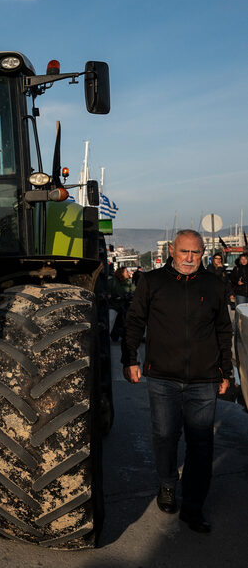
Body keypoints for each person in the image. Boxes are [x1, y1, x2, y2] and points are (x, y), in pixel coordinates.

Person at [122, 229, 230, 534]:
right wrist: (129, 358)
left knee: (201, 445)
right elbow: (134, 321)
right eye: (184, 252)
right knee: (165, 436)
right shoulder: (152, 281)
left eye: (196, 253)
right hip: (163, 378)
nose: (190, 258)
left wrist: (226, 371)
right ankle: (168, 484)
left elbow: (223, 329)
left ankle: (193, 507)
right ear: (172, 250)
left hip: (204, 380)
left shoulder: (213, 284)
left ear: (203, 252)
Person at [108, 266, 135, 343]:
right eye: (126, 271)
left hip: (125, 306)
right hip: (114, 306)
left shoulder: (129, 282)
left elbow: (134, 290)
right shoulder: (112, 282)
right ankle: (106, 338)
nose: (128, 273)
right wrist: (110, 296)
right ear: (121, 273)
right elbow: (108, 293)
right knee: (110, 319)